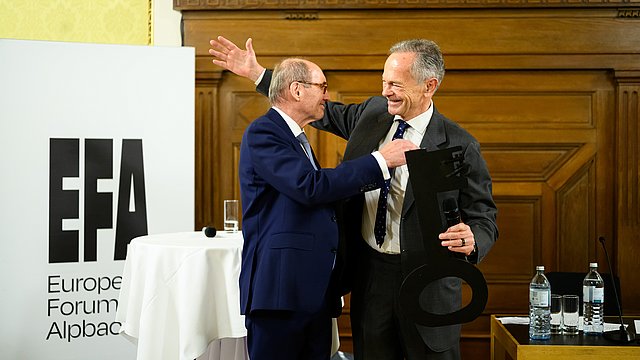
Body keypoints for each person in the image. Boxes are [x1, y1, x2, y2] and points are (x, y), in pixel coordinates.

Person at [212, 38, 498, 360]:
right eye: (384, 82)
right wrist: (260, 75)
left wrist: (473, 239)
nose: (386, 91)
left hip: (428, 283)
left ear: (429, 86)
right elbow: (314, 108)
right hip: (370, 276)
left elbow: (483, 214)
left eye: (395, 84)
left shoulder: (460, 143)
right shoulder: (372, 113)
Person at [237, 57, 417, 360]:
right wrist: (379, 161)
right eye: (322, 87)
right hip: (281, 294)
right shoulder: (264, 133)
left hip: (312, 293)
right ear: (296, 90)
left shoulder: (296, 138)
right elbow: (310, 187)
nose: (327, 96)